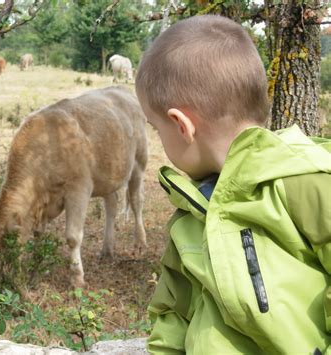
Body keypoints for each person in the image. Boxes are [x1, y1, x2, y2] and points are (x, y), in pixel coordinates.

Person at [135, 15, 331, 354]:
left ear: (181, 125)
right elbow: (173, 314)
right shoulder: (190, 214)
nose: (159, 141)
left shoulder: (301, 179)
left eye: (156, 129)